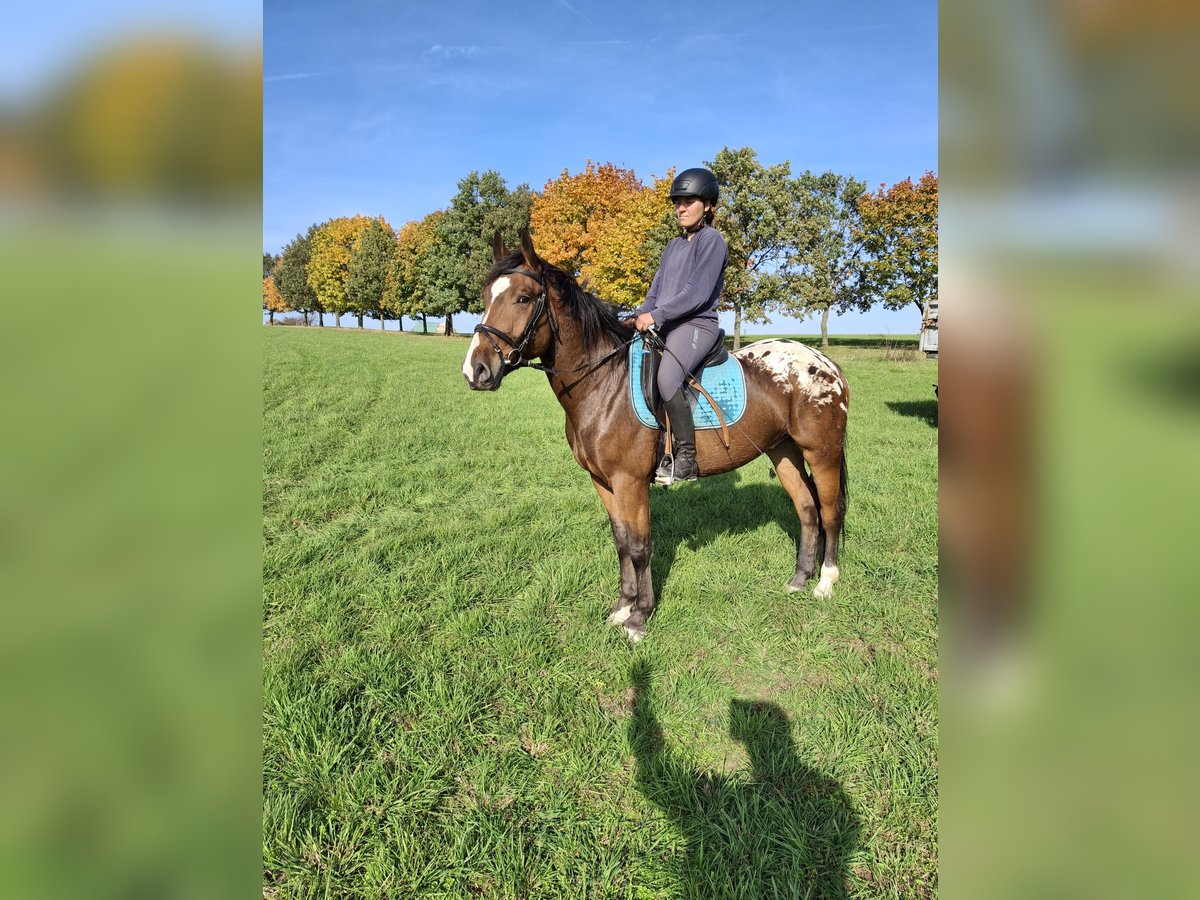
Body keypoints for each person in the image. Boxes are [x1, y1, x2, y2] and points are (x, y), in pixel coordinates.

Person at [628, 167, 729, 485]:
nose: (681, 208)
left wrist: (656, 316)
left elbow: (695, 295)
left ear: (709, 205)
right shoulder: (672, 246)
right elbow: (655, 293)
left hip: (697, 324)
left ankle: (686, 459)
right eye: (677, 202)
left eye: (689, 201)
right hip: (669, 324)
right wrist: (637, 315)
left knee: (669, 376)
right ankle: (654, 447)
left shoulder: (712, 242)